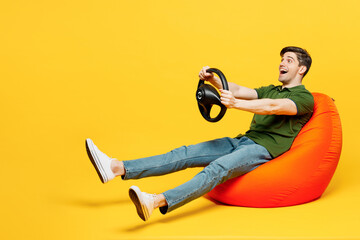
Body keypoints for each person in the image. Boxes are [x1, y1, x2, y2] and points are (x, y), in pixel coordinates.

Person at [85, 46, 314, 221]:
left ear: (301, 69)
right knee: (185, 153)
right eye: (282, 60)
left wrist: (235, 104)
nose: (281, 63)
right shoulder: (270, 90)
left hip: (262, 150)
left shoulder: (304, 98)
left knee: (217, 169)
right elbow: (236, 89)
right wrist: (212, 79)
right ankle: (116, 168)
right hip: (243, 141)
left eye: (289, 60)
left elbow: (273, 107)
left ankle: (154, 202)